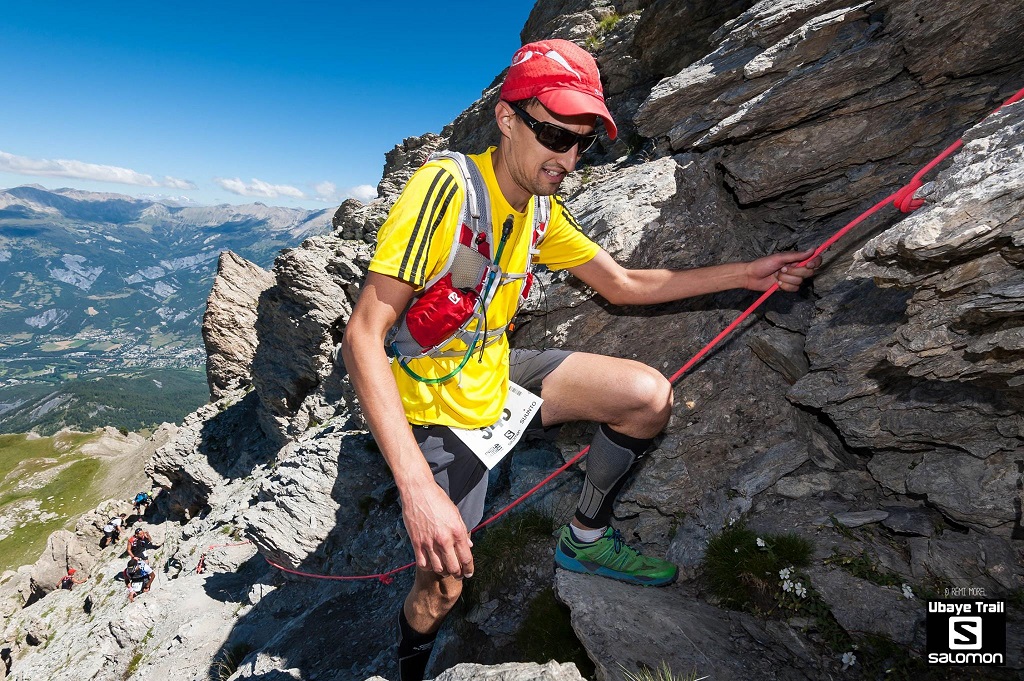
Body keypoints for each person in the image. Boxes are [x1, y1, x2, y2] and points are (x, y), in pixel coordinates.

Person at [340, 38, 821, 681]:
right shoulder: (448, 190)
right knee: (444, 588)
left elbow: (623, 284)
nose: (567, 157)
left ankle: (586, 540)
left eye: (581, 142)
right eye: (553, 134)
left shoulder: (539, 210)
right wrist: (417, 488)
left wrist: (752, 273)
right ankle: (408, 668)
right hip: (431, 412)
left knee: (647, 399)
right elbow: (364, 336)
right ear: (507, 118)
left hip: (492, 374)